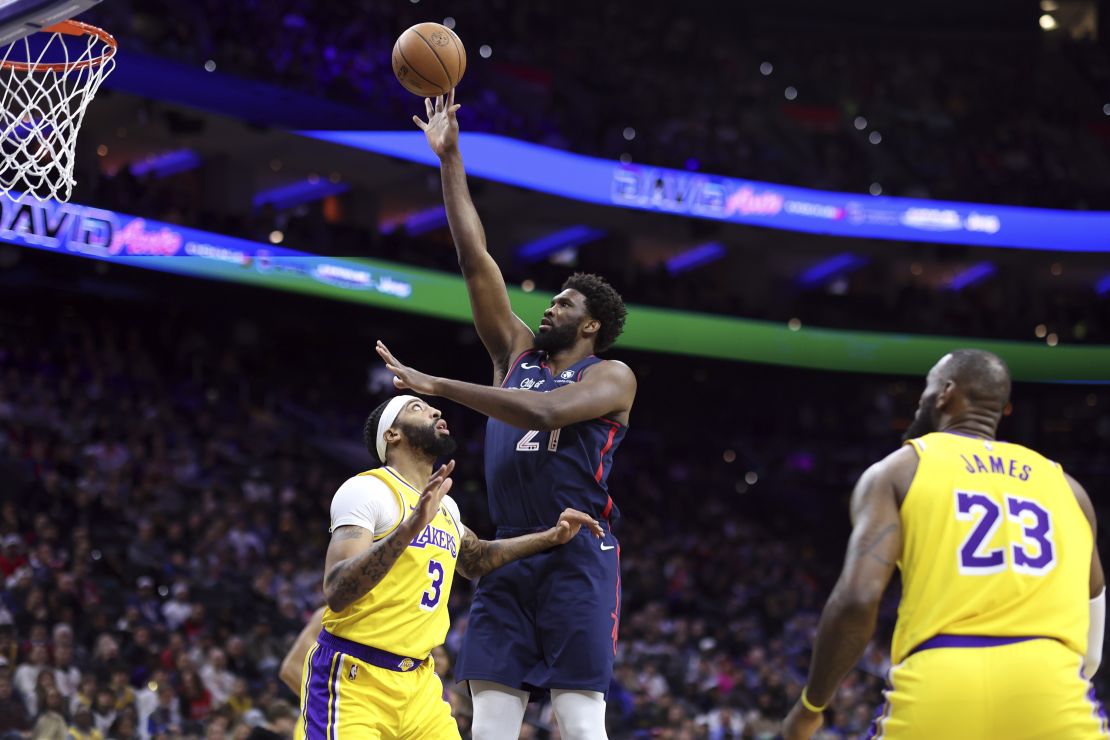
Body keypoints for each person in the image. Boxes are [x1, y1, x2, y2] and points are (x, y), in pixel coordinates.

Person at [403, 89, 637, 740]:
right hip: (508, 550)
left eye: (562, 304)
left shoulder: (611, 376)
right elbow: (474, 259)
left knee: (580, 719)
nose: (548, 309)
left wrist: (442, 386)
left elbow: (543, 413)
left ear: (590, 324)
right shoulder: (514, 352)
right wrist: (450, 159)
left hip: (578, 554)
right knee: (492, 723)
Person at [783, 350, 1107, 739]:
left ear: (945, 394)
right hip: (1054, 690)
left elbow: (858, 599)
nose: (921, 398)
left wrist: (811, 707)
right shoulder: (1069, 489)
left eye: (926, 387)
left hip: (942, 678)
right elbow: (1093, 629)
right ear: (1003, 410)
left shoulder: (899, 469)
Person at [296, 394, 602, 739]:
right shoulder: (367, 489)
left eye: (431, 407)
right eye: (417, 408)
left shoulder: (446, 507)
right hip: (355, 677)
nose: (435, 410)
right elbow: (337, 591)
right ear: (391, 435)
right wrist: (410, 528)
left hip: (420, 683)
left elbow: (478, 560)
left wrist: (551, 537)